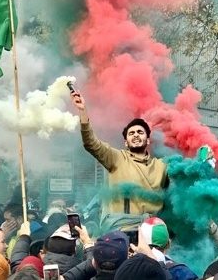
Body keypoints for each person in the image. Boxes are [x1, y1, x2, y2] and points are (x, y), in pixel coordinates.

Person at [71, 90, 168, 231]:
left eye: (140, 132)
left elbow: (182, 183)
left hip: (151, 232)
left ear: (147, 140)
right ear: (126, 143)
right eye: (131, 133)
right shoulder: (116, 158)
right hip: (120, 231)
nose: (135, 135)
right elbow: (91, 143)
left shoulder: (161, 166)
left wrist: (203, 162)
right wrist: (83, 112)